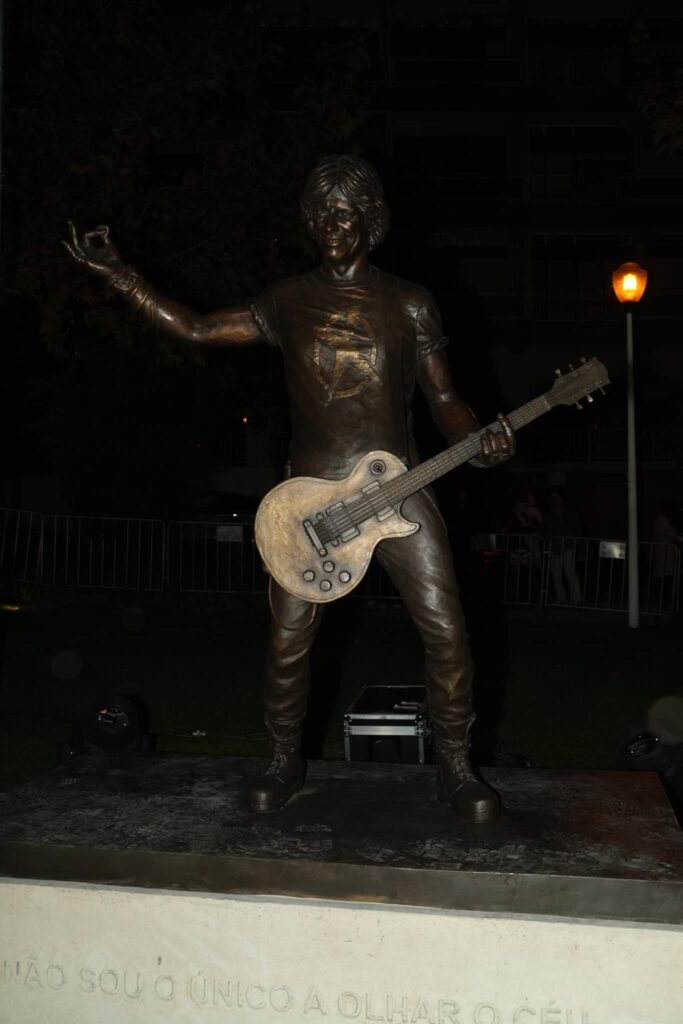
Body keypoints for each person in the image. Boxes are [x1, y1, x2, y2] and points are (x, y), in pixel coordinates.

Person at [64, 154, 514, 822]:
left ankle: (454, 767)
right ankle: (282, 761)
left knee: (448, 631)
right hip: (307, 500)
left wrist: (478, 440)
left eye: (344, 213)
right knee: (287, 641)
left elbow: (445, 399)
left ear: (371, 222)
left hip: (398, 489)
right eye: (319, 213)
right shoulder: (287, 301)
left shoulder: (409, 302)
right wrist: (121, 276)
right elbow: (199, 328)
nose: (330, 224)